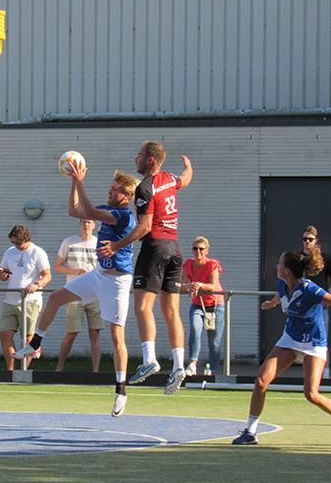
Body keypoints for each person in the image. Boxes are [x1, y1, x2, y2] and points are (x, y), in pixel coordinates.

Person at [12, 163, 139, 417]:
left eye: (114, 189)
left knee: (116, 338)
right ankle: (34, 343)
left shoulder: (124, 216)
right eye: (110, 187)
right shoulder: (106, 209)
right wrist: (72, 180)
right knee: (56, 297)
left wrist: (80, 180)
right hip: (98, 275)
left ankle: (121, 390)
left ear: (126, 196)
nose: (110, 191)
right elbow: (74, 211)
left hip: (117, 282)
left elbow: (89, 209)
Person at [232, 246, 331, 446]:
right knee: (260, 382)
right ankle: (251, 433)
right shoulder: (281, 284)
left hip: (314, 343)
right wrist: (272, 303)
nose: (276, 265)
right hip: (290, 340)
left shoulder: (310, 289)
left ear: (287, 270)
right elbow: (281, 297)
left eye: (280, 263)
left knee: (311, 394)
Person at [97, 141, 193, 395]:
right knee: (171, 311)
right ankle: (179, 366)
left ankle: (149, 359)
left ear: (150, 160)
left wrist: (116, 245)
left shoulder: (145, 188)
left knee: (142, 307)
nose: (135, 159)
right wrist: (189, 167)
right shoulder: (170, 179)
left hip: (155, 248)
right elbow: (186, 179)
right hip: (175, 247)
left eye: (139, 155)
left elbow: (144, 227)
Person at [0, 224, 51, 370]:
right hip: (10, 300)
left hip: (30, 301)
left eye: (18, 243)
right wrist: (2, 275)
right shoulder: (9, 252)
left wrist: (37, 284)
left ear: (26, 239)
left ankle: (24, 372)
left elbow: (47, 276)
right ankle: (10, 370)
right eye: (13, 242)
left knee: (28, 338)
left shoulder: (37, 252)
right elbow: (2, 276)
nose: (15, 245)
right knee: (4, 334)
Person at [54, 218, 103, 373]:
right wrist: (75, 271)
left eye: (89, 222)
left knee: (95, 333)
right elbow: (58, 267)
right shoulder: (69, 242)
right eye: (83, 222)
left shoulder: (100, 243)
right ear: (79, 224)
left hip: (95, 294)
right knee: (71, 333)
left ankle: (96, 371)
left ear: (94, 225)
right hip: (74, 293)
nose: (86, 225)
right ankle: (59, 367)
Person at [181, 236, 225, 377]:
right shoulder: (188, 264)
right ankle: (193, 364)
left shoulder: (212, 265)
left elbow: (212, 286)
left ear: (206, 251)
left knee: (214, 342)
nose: (198, 251)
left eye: (201, 249)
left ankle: (213, 370)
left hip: (216, 305)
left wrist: (199, 284)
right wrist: (189, 286)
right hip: (198, 304)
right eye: (195, 248)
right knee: (195, 329)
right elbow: (182, 286)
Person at [301, 225, 331, 379]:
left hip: (320, 305)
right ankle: (308, 373)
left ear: (316, 240)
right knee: (303, 340)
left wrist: (328, 294)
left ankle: (326, 372)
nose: (307, 242)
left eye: (310, 239)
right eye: (304, 239)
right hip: (303, 305)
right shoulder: (299, 258)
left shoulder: (325, 258)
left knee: (321, 338)